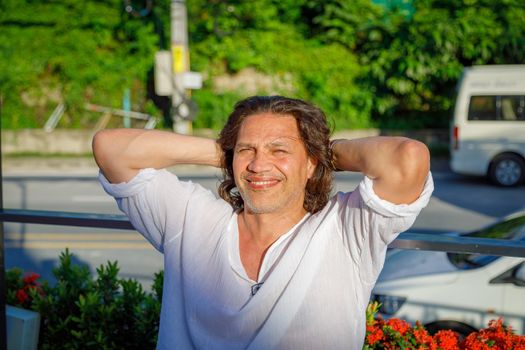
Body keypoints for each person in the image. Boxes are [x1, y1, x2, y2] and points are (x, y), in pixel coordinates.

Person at [93, 95, 433, 350]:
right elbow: (111, 148)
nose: (258, 165)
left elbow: (407, 158)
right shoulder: (190, 218)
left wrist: (322, 153)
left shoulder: (346, 229)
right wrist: (229, 153)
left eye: (279, 151)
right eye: (247, 151)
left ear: (311, 164)